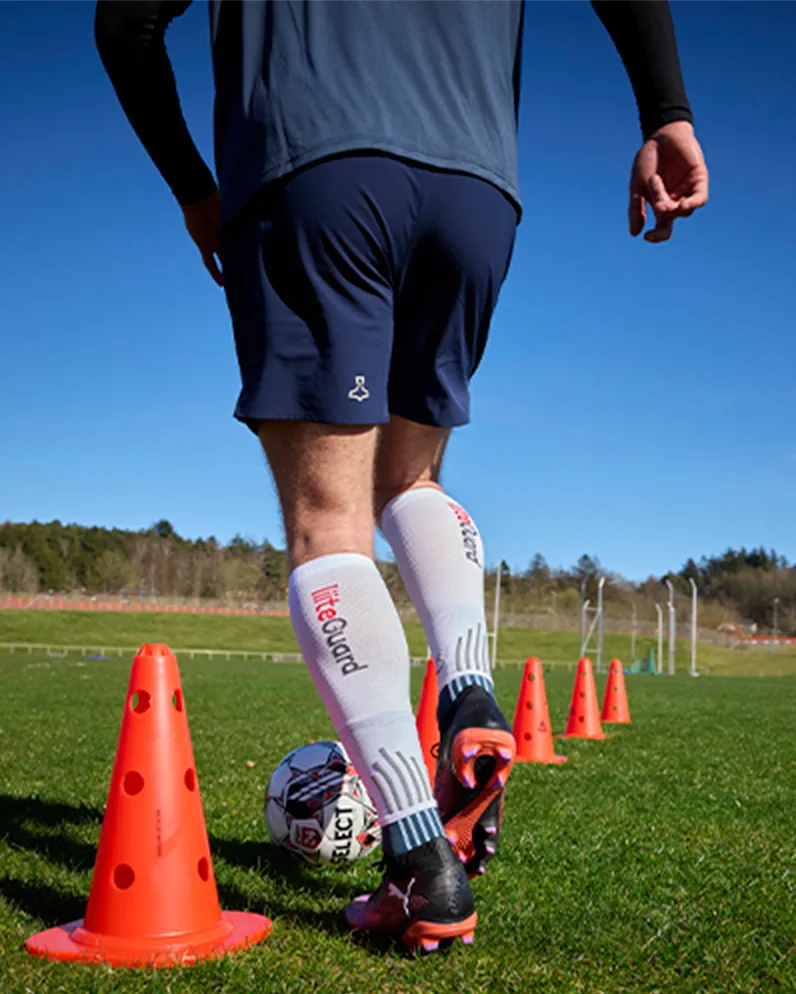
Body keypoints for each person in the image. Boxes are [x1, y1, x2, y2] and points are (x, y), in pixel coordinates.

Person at [94, 0, 708, 951]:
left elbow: (125, 23)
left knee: (327, 519)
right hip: (476, 188)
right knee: (409, 480)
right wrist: (667, 113)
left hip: (311, 163)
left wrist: (193, 185)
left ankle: (421, 860)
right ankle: (467, 687)